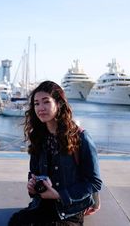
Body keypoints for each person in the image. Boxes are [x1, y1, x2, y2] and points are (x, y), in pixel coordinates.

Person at [8, 80, 102, 226]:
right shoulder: (38, 137)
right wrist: (32, 185)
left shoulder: (80, 137)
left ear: (59, 104)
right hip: (42, 204)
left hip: (69, 209)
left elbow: (94, 182)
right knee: (16, 222)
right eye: (36, 103)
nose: (41, 108)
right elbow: (33, 172)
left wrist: (59, 195)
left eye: (46, 102)